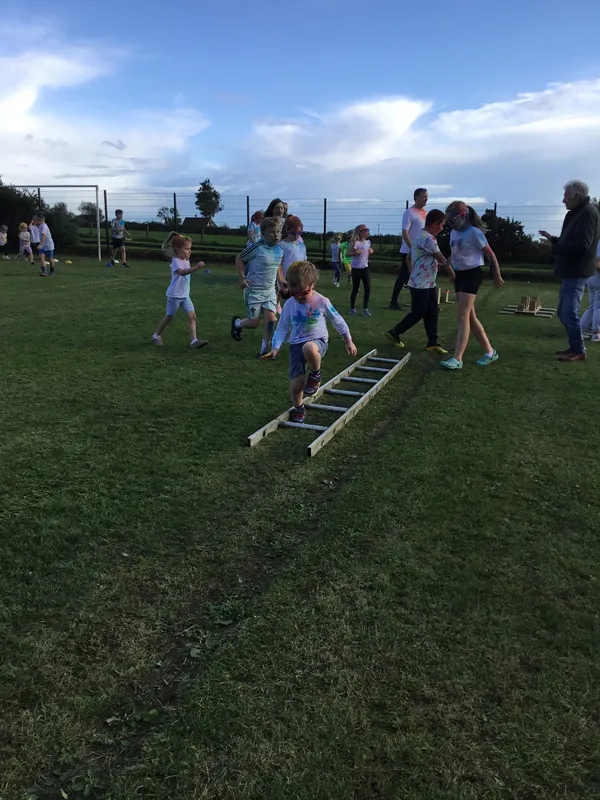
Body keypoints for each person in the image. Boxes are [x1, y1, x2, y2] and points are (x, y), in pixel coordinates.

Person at [270, 260, 357, 423]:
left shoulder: (321, 301)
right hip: (296, 344)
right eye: (294, 293)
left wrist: (348, 340)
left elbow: (337, 320)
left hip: (318, 342)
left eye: (304, 292)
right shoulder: (289, 304)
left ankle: (316, 374)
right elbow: (282, 328)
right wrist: (275, 347)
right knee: (296, 383)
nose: (299, 297)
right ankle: (298, 408)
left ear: (313, 285)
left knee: (309, 348)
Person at [539, 180, 600, 362]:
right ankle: (575, 347)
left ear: (576, 196)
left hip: (577, 270)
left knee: (569, 312)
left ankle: (579, 351)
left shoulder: (587, 213)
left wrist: (553, 248)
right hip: (571, 270)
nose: (563, 200)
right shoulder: (578, 212)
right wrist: (554, 240)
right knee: (563, 312)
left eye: (566, 196)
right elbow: (573, 240)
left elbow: (582, 246)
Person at [440, 202, 504, 371]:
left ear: (462, 216)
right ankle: (490, 352)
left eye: (451, 220)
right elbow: (455, 252)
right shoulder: (453, 233)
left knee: (462, 316)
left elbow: (491, 255)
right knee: (470, 317)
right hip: (460, 275)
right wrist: (445, 263)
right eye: (447, 221)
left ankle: (458, 358)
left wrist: (497, 275)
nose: (449, 224)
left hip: (472, 275)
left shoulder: (474, 233)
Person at [385, 209, 453, 354]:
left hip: (427, 283)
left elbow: (409, 258)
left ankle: (432, 343)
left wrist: (413, 273)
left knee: (432, 312)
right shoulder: (428, 238)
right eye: (442, 224)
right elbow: (440, 258)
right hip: (421, 284)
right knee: (418, 312)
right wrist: (453, 275)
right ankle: (394, 332)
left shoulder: (418, 236)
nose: (442, 228)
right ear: (435, 223)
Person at [231, 216, 283, 358]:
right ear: (263, 233)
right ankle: (237, 324)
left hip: (270, 291)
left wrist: (282, 280)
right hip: (254, 291)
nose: (276, 235)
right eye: (272, 232)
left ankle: (264, 349)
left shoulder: (279, 250)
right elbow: (239, 258)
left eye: (279, 232)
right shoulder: (256, 248)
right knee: (254, 323)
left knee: (271, 320)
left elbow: (277, 266)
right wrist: (242, 278)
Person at [152, 233, 208, 349]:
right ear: (177, 250)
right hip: (174, 295)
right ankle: (156, 335)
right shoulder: (176, 261)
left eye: (190, 249)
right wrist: (196, 268)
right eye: (187, 249)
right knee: (169, 316)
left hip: (185, 295)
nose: (189, 251)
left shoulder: (186, 260)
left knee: (192, 316)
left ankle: (194, 340)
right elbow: (182, 272)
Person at [389, 188, 428, 310]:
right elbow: (405, 232)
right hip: (409, 251)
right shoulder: (409, 212)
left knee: (416, 277)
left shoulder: (425, 213)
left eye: (427, 197)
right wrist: (412, 247)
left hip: (421, 250)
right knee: (405, 276)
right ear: (416, 197)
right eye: (423, 197)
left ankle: (419, 302)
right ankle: (394, 302)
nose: (426, 199)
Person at [277, 215, 307, 298]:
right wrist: (281, 281)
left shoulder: (301, 245)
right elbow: (277, 265)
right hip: (286, 284)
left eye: (299, 233)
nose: (296, 236)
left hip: (299, 283)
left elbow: (304, 264)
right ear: (287, 230)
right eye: (293, 233)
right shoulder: (282, 245)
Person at [348, 224, 373, 316]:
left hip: (365, 268)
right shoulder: (356, 243)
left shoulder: (368, 242)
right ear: (360, 232)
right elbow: (348, 253)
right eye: (366, 230)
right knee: (355, 289)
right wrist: (355, 252)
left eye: (368, 229)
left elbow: (367, 251)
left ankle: (365, 309)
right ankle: (352, 308)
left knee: (368, 288)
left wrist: (371, 251)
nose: (368, 231)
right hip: (356, 268)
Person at [581, 253, 600, 343]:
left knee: (592, 306)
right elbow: (597, 262)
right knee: (598, 307)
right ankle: (596, 334)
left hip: (591, 277)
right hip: (597, 277)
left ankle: (583, 329)